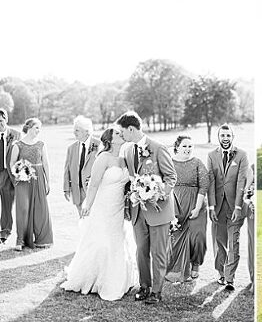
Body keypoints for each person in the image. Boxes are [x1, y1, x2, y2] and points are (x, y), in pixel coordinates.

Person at [60, 126, 139, 300]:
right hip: (103, 206)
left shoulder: (124, 158)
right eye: (117, 133)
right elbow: (94, 184)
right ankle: (92, 277)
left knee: (116, 239)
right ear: (109, 140)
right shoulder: (103, 157)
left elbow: (129, 182)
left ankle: (118, 278)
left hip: (118, 207)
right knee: (101, 240)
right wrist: (88, 205)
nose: (122, 134)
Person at [117, 112, 177, 306]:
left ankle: (157, 291)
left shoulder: (158, 148)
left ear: (131, 129)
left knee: (158, 252)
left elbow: (171, 177)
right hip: (137, 210)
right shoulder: (127, 151)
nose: (121, 135)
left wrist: (158, 194)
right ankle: (144, 286)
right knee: (141, 250)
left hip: (158, 210)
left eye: (122, 131)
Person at [207, 124, 248, 291]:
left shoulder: (242, 155)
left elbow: (241, 181)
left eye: (228, 135)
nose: (225, 138)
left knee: (234, 242)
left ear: (232, 137)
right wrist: (211, 206)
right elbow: (210, 181)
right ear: (219, 137)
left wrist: (238, 206)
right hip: (217, 207)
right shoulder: (211, 155)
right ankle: (221, 273)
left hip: (235, 206)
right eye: (222, 135)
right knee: (219, 242)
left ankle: (230, 278)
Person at [166, 134, 209, 283]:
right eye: (184, 146)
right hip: (176, 204)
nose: (188, 149)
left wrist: (197, 208)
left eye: (190, 146)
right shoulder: (170, 163)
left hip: (197, 204)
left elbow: (204, 185)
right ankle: (176, 268)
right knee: (175, 237)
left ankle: (196, 264)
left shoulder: (197, 162)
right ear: (177, 147)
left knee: (198, 236)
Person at [8, 117, 53, 250]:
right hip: (23, 180)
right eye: (36, 128)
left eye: (40, 128)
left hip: (38, 178)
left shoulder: (41, 144)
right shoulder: (17, 145)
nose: (39, 131)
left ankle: (42, 239)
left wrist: (48, 182)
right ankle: (20, 240)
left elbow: (46, 163)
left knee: (40, 208)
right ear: (28, 128)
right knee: (23, 209)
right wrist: (19, 173)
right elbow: (11, 164)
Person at [63, 115, 101, 218]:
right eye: (74, 130)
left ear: (86, 131)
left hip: (92, 190)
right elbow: (67, 170)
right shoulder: (71, 148)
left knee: (93, 218)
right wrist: (66, 188)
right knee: (82, 219)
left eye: (77, 130)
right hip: (77, 190)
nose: (74, 133)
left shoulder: (99, 145)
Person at [0, 108, 20, 244]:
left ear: (6, 120)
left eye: (1, 121)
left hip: (7, 174)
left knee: (7, 204)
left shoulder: (16, 134)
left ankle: (5, 232)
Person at [244, 162, 255, 293]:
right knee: (252, 245)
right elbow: (246, 191)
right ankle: (254, 281)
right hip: (253, 212)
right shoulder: (251, 168)